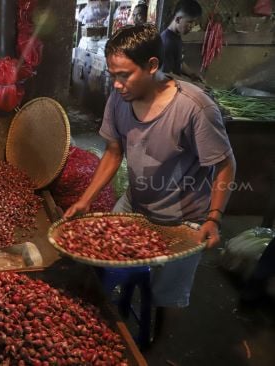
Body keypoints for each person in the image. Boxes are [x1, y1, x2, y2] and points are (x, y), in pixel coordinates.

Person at [64, 24, 236, 341]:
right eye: (113, 75)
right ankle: (107, 326)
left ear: (153, 66)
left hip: (185, 220)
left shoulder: (194, 108)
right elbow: (114, 152)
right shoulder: (119, 100)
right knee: (105, 260)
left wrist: (214, 218)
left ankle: (162, 345)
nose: (116, 84)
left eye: (125, 75)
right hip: (136, 205)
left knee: (168, 295)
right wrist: (86, 199)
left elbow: (225, 165)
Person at [161, 0, 203, 80]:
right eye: (190, 22)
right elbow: (166, 74)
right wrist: (191, 85)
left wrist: (192, 74)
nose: (192, 26)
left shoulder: (176, 35)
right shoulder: (167, 42)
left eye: (194, 22)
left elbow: (179, 62)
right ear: (178, 19)